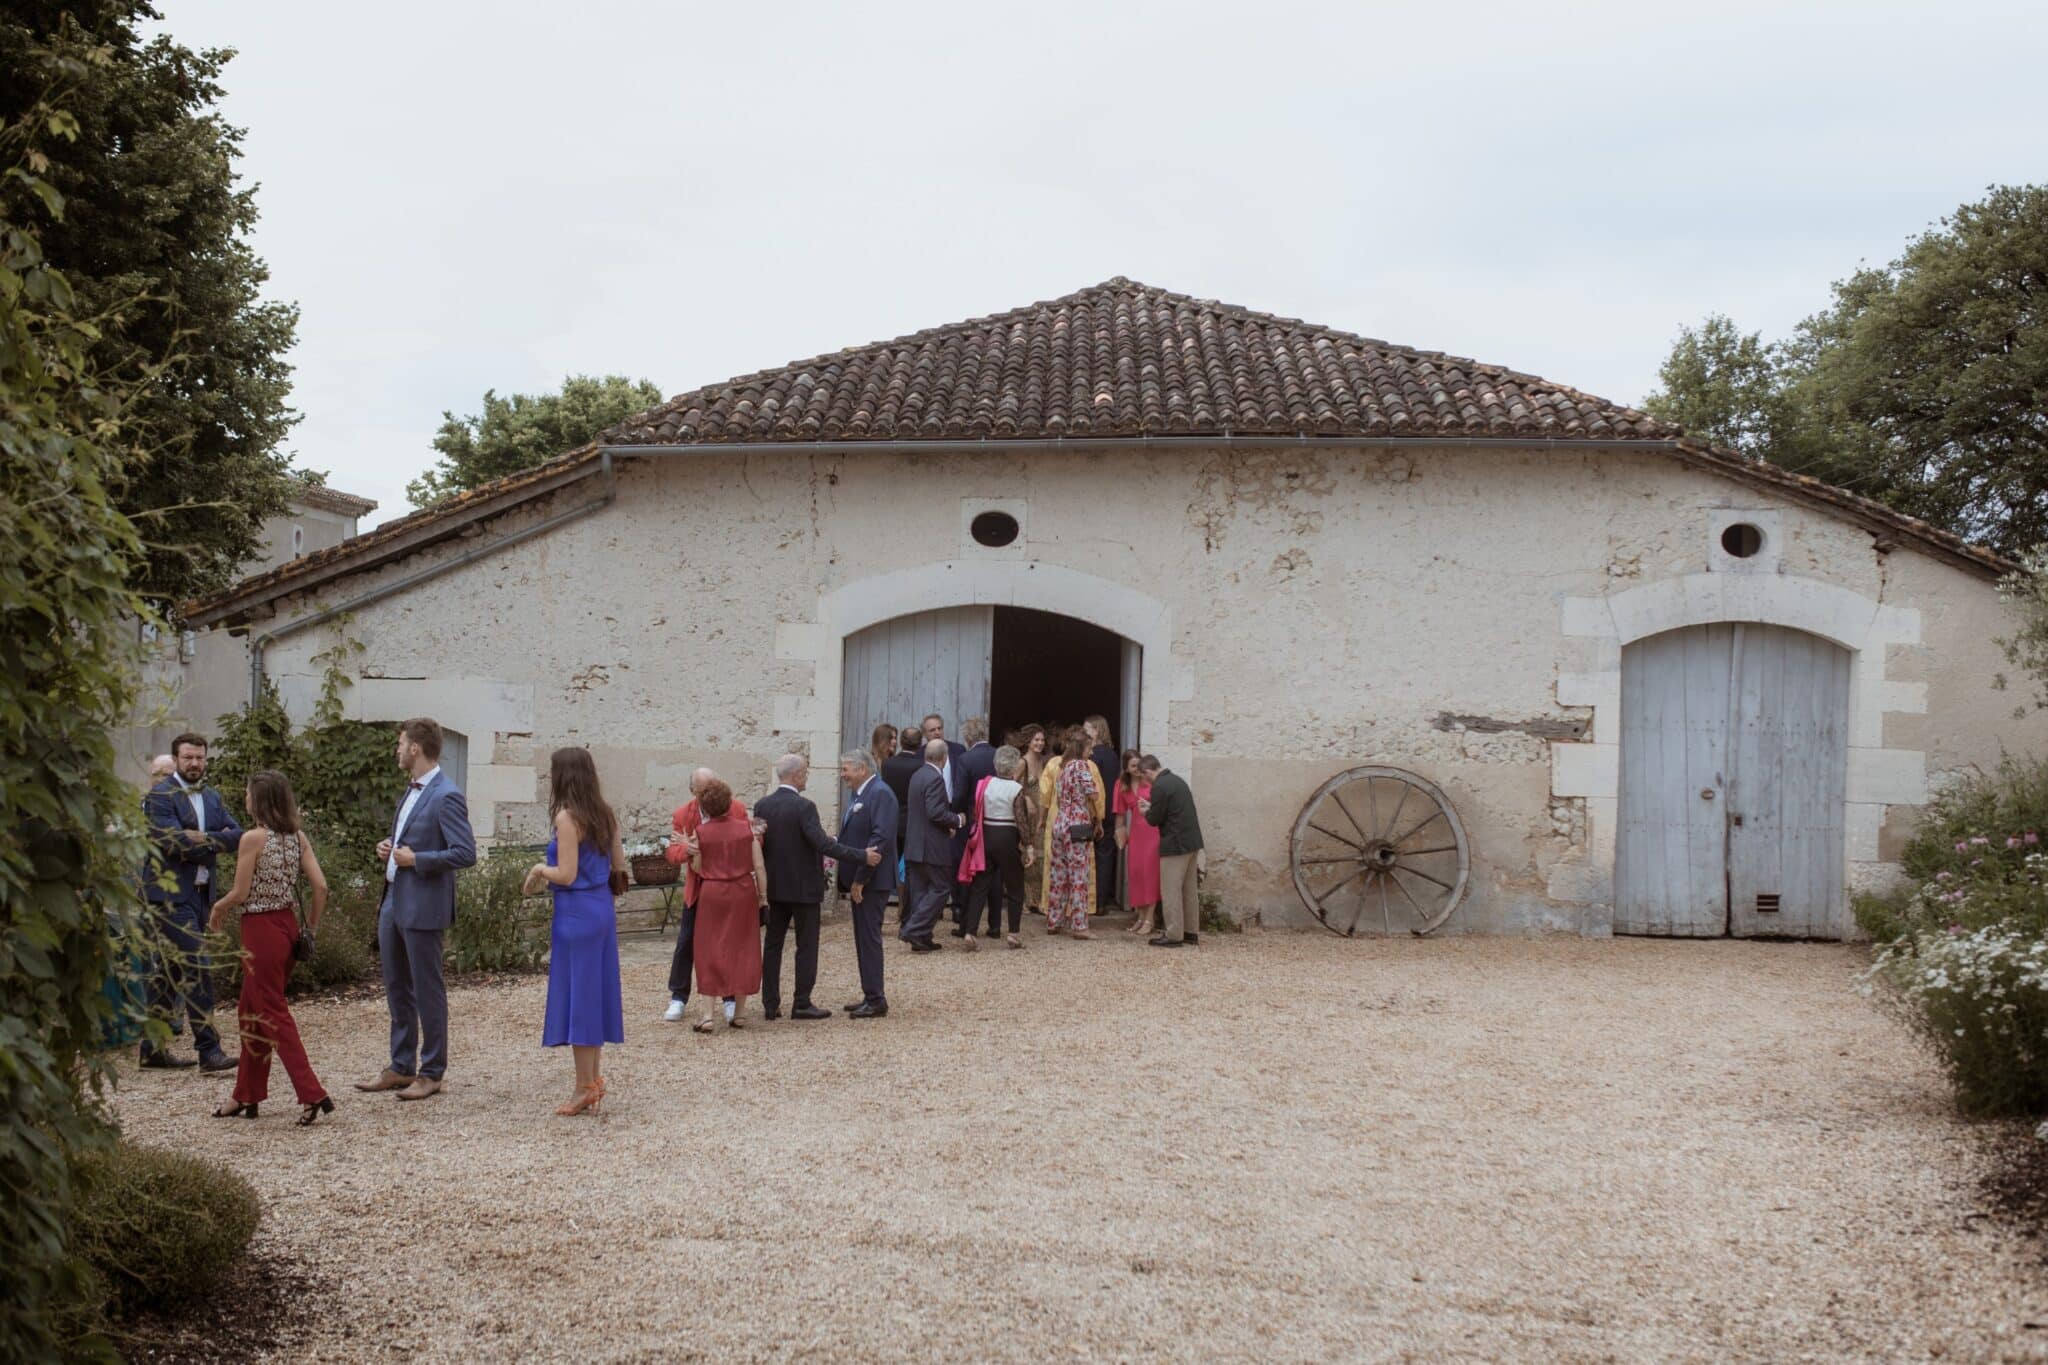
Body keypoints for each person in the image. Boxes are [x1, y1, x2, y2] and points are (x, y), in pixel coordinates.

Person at [357, 718, 476, 1101]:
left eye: (400, 743)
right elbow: (407, 842)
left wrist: (416, 859)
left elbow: (465, 853)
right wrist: (388, 848)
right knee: (396, 987)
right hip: (394, 897)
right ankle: (400, 1066)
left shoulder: (446, 794)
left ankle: (433, 1071)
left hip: (423, 903)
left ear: (415, 748)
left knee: (428, 990)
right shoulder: (410, 792)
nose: (396, 749)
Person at [206, 770, 333, 1125]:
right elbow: (321, 887)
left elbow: (241, 893)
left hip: (260, 931)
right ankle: (245, 1094)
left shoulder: (253, 838)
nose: (245, 798)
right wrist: (311, 929)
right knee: (250, 1011)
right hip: (287, 928)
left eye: (248, 792)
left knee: (273, 1012)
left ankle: (312, 1093)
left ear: (257, 799)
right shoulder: (298, 838)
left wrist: (218, 907)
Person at [523, 748, 626, 1116]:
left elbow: (565, 874)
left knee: (580, 998)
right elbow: (619, 866)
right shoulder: (604, 814)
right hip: (600, 909)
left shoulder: (568, 818)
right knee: (594, 994)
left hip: (576, 914)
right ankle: (593, 1080)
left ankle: (584, 1086)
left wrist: (538, 868)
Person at [139, 732, 243, 1071]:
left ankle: (152, 1051)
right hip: (169, 898)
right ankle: (209, 1050)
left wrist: (205, 838)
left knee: (167, 973)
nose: (195, 764)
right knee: (197, 965)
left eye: (200, 758)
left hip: (200, 894)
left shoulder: (212, 797)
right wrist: (216, 841)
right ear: (177, 760)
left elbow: (238, 835)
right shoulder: (160, 795)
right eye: (188, 758)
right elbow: (175, 844)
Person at [756, 753, 880, 1020]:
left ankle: (770, 1003)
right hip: (803, 888)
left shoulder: (762, 805)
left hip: (776, 887)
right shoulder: (804, 807)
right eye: (806, 773)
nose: (807, 778)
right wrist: (862, 855)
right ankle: (801, 1002)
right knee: (806, 945)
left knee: (773, 945)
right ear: (797, 775)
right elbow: (822, 845)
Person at [660, 768, 748, 1024]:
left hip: (729, 886)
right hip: (700, 887)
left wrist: (701, 847)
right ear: (693, 793)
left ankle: (730, 998)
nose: (709, 795)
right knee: (686, 942)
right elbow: (673, 855)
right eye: (703, 791)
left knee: (729, 943)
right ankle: (678, 997)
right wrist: (688, 850)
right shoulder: (682, 814)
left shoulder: (737, 809)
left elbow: (750, 843)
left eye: (713, 788)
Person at [688, 778, 766, 1031]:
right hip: (742, 891)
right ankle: (740, 1013)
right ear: (729, 802)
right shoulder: (746, 829)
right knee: (743, 947)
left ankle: (708, 1015)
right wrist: (763, 896)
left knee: (708, 948)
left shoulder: (700, 832)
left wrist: (694, 856)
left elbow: (698, 868)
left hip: (712, 892)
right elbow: (759, 866)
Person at [834, 750, 898, 1018]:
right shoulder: (861, 793)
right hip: (862, 880)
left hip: (873, 881)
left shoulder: (880, 793)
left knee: (869, 938)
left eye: (846, 769)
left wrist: (861, 878)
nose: (842, 774)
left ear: (862, 769)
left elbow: (879, 839)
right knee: (863, 938)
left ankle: (875, 999)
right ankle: (869, 992)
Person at [963, 745, 1036, 950]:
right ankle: (1013, 933)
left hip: (986, 835)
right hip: (1006, 836)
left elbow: (976, 812)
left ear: (996, 764)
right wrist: (1028, 845)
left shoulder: (985, 785)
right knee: (1014, 885)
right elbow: (1021, 820)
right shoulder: (1016, 789)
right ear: (1014, 767)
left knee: (980, 885)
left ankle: (970, 931)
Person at [900, 738, 964, 951]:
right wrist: (957, 820)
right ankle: (913, 929)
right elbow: (935, 812)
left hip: (915, 844)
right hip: (932, 845)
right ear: (944, 758)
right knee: (940, 888)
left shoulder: (917, 775)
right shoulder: (935, 779)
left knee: (919, 891)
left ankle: (922, 937)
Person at [1140, 755, 1206, 947]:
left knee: (1170, 890)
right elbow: (1172, 810)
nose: (1146, 781)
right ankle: (1190, 932)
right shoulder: (1177, 781)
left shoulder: (1159, 786)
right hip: (1191, 841)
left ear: (1148, 771)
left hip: (1175, 844)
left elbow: (1155, 819)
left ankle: (1174, 934)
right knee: (1189, 889)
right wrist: (1152, 808)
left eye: (1145, 777)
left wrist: (1146, 812)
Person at [1046, 729, 1105, 937]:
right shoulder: (1081, 766)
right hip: (1077, 823)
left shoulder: (1062, 768)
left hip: (1060, 821)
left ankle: (1054, 921)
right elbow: (1094, 793)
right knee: (1079, 875)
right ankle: (1080, 925)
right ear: (1083, 748)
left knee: (1059, 874)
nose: (1091, 753)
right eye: (1089, 748)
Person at [949, 717, 997, 933]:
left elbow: (959, 794)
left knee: (968, 869)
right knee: (995, 871)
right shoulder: (998, 754)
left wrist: (954, 814)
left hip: (972, 820)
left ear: (968, 737)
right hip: (997, 819)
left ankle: (965, 921)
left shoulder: (966, 759)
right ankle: (994, 925)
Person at [1113, 750, 1162, 936]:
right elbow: (1119, 814)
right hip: (1136, 834)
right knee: (1136, 874)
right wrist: (1120, 835)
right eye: (1133, 766)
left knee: (1151, 875)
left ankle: (1150, 918)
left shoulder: (1149, 780)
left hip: (1153, 831)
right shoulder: (1121, 784)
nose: (1137, 769)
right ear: (1126, 767)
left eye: (1138, 765)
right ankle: (1140, 917)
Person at [1084, 716, 1121, 910]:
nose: (1084, 733)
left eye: (1087, 729)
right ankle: (1101, 901)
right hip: (1109, 810)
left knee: (1087, 855)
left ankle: (1089, 901)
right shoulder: (1113, 755)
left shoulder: (1092, 756)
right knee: (1105, 855)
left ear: (1096, 730)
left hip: (1093, 809)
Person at [879, 725, 922, 873]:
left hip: (892, 819)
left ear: (901, 742)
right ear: (920, 743)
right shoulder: (921, 765)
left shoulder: (887, 764)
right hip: (914, 822)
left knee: (893, 861)